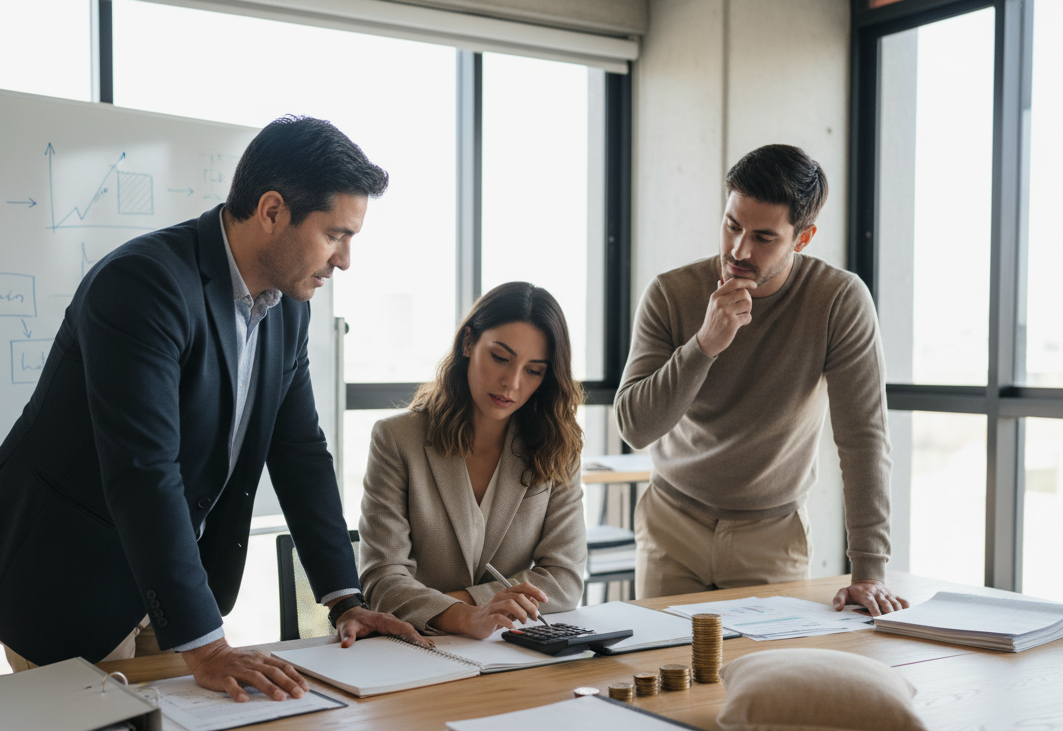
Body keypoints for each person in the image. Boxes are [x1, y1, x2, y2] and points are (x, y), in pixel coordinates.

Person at [0, 116, 428, 702]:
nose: (346, 260)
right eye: (335, 235)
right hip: (67, 575)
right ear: (273, 211)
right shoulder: (143, 283)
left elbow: (299, 449)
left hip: (167, 583)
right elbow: (144, 468)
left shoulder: (288, 306)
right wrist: (208, 646)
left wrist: (344, 599)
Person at [616, 144, 907, 615]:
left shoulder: (838, 300)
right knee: (665, 678)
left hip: (772, 535)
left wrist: (870, 570)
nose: (739, 249)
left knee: (767, 680)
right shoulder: (671, 293)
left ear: (803, 237)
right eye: (732, 225)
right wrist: (704, 344)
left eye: (764, 237)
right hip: (672, 521)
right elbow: (635, 427)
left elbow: (864, 439)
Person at [358, 282, 588, 638]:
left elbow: (564, 579)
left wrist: (463, 605)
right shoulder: (397, 440)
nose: (511, 382)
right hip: (416, 646)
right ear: (468, 343)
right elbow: (382, 579)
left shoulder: (557, 447)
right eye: (500, 357)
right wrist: (462, 617)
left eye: (533, 370)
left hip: (508, 651)